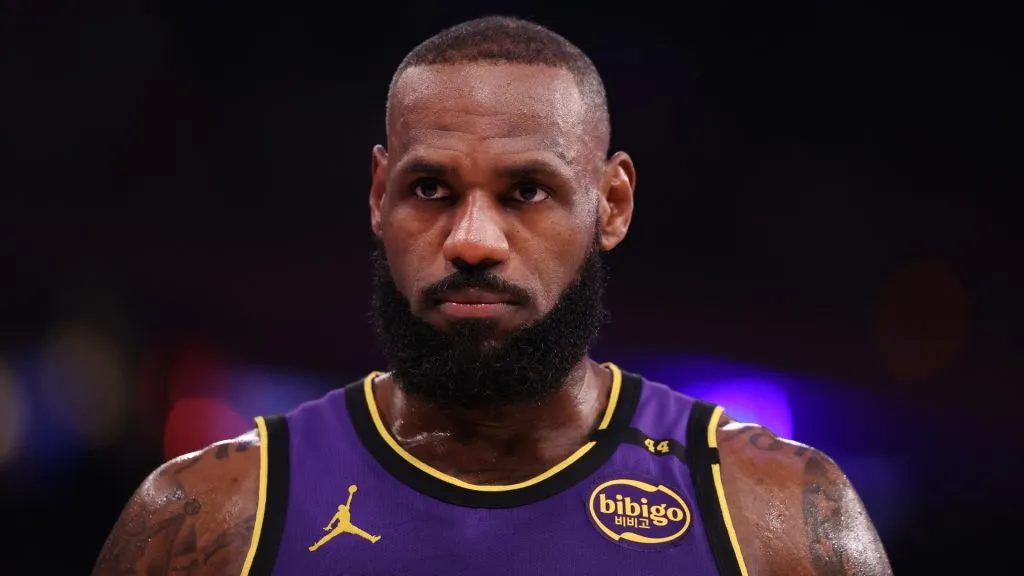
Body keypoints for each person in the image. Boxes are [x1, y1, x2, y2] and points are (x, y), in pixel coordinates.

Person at [92, 15, 893, 576]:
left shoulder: (777, 519)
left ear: (611, 205)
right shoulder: (205, 519)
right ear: (379, 197)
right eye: (432, 187)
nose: (473, 238)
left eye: (526, 191)